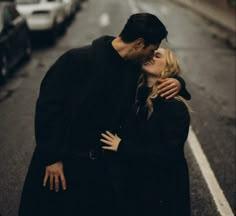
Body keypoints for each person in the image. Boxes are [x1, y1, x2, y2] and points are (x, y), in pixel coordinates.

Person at [19, 13, 191, 216]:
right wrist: (52, 158)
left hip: (100, 170)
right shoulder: (77, 60)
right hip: (64, 163)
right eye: (151, 50)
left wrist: (178, 82)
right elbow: (48, 109)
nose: (151, 57)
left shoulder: (133, 68)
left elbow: (155, 81)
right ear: (138, 43)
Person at [101, 47, 191, 216]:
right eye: (150, 53)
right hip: (139, 187)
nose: (151, 56)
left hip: (163, 192)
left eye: (158, 56)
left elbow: (168, 154)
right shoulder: (137, 94)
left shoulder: (173, 106)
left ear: (168, 68)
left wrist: (122, 147)